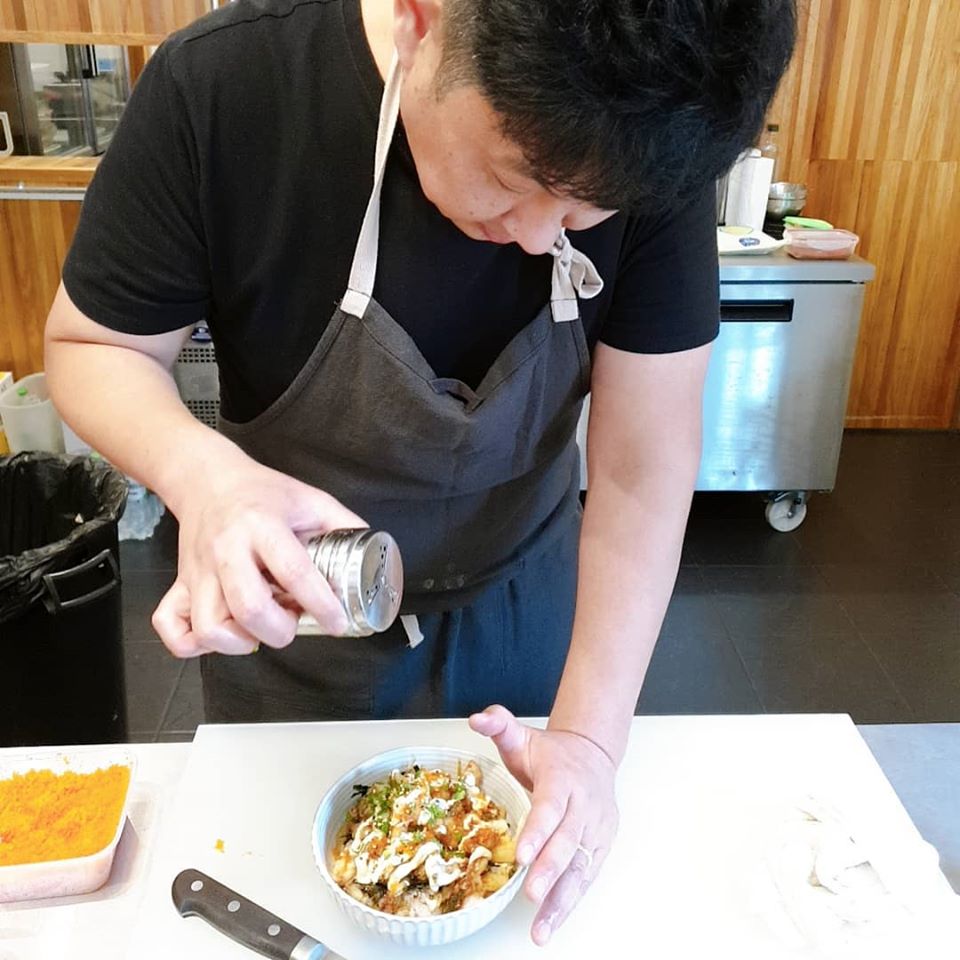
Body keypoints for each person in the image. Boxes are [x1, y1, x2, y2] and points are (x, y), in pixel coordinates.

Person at [45, 0, 795, 943]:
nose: (541, 237)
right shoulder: (224, 86)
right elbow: (93, 346)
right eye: (514, 178)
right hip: (299, 629)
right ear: (419, 18)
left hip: (528, 622)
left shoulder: (657, 134)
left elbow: (643, 467)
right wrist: (206, 479)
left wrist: (588, 741)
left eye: (583, 214)